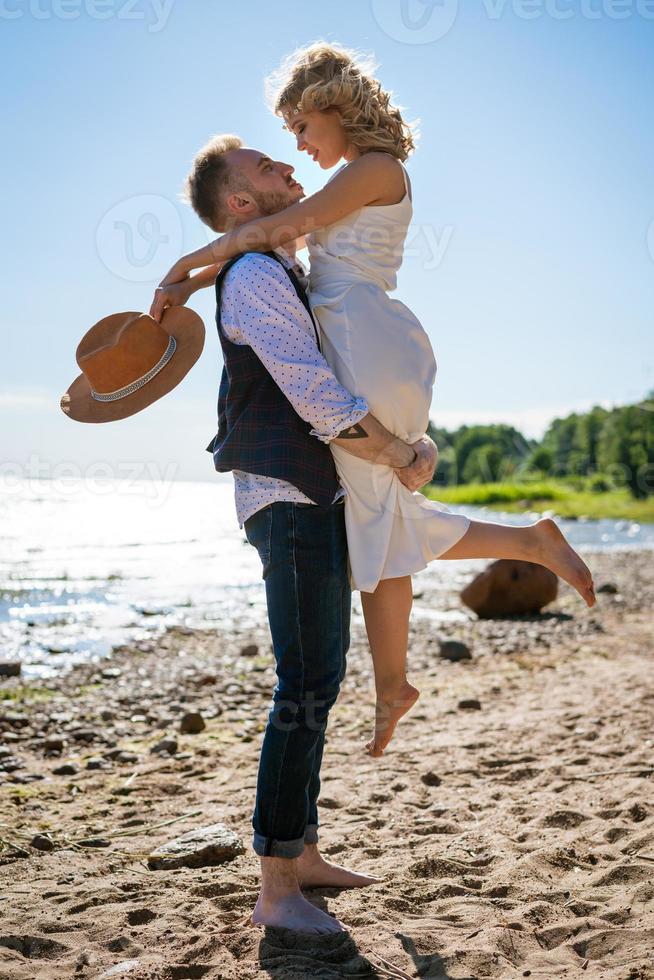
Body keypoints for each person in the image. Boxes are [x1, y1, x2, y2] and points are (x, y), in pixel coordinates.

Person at [151, 43, 596, 761]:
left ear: (332, 103)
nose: (297, 144)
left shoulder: (374, 169)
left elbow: (266, 233)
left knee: (376, 512)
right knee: (380, 519)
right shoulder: (360, 174)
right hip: (362, 331)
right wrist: (196, 285)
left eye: (299, 124)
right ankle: (418, 660)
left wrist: (185, 265)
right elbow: (264, 244)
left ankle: (463, 609)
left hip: (361, 331)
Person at [159, 137, 438, 933]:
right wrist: (399, 453)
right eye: (268, 169)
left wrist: (190, 268)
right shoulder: (254, 278)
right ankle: (278, 888)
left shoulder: (268, 266)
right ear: (241, 205)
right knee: (303, 685)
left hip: (304, 496)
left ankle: (301, 851)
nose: (291, 168)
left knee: (317, 680)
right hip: (286, 498)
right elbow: (315, 395)